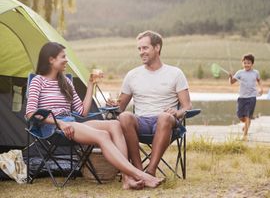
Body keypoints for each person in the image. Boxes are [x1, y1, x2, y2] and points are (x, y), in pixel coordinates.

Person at [25, 42, 162, 190]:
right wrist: (60, 124)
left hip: (71, 124)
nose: (66, 60)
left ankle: (127, 178)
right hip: (53, 128)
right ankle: (140, 175)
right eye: (63, 57)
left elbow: (82, 112)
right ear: (51, 60)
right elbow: (30, 113)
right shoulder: (37, 81)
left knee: (114, 124)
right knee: (102, 135)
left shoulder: (66, 83)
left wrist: (91, 85)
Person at [117, 30, 192, 176]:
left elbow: (187, 106)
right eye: (139, 49)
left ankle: (150, 171)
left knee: (164, 117)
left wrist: (178, 112)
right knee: (125, 116)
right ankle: (138, 171)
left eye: (145, 48)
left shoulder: (175, 73)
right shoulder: (132, 75)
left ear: (157, 48)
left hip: (165, 122)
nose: (141, 52)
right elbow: (119, 107)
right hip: (141, 122)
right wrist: (111, 104)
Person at [229, 53, 263, 140]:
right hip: (242, 97)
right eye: (245, 63)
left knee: (248, 116)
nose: (246, 64)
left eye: (248, 63)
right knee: (240, 116)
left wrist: (261, 88)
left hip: (252, 97)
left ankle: (245, 135)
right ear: (242, 63)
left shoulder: (256, 72)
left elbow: (259, 81)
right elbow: (231, 82)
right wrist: (230, 77)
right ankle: (246, 125)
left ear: (252, 64)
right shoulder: (240, 73)